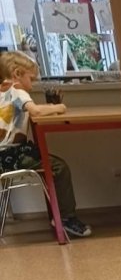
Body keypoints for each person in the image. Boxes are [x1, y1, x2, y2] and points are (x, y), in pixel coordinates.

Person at [0, 50, 90, 238]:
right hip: (12, 156)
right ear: (17, 74)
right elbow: (36, 112)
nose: (32, 85)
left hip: (3, 157)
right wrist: (59, 108)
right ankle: (66, 218)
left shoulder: (2, 91)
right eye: (31, 79)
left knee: (47, 161)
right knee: (58, 167)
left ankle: (61, 216)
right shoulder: (17, 92)